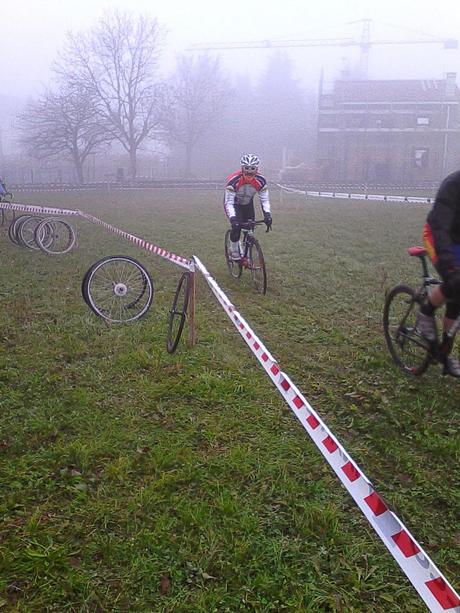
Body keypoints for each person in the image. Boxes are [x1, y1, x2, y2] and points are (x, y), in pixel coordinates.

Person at [417, 169, 460, 377]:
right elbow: (440, 226)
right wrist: (449, 266)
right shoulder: (453, 184)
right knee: (455, 282)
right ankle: (426, 311)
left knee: (456, 301)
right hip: (437, 235)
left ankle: (444, 352)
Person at [224, 154, 272, 260]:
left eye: (252, 168)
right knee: (236, 227)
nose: (249, 171)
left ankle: (247, 254)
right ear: (242, 168)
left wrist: (267, 215)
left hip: (247, 204)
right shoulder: (233, 181)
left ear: (257, 169)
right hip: (234, 204)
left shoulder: (261, 181)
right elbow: (229, 202)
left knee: (250, 229)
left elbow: (264, 199)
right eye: (246, 168)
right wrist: (233, 219)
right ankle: (234, 251)